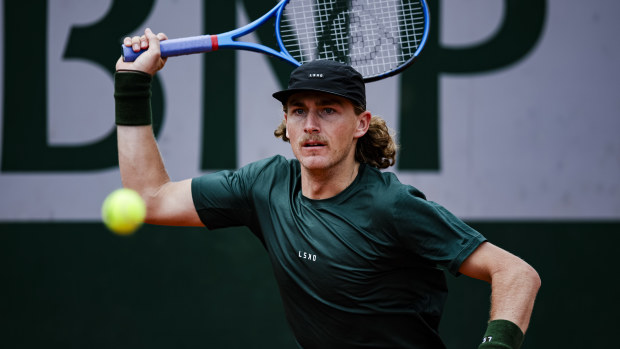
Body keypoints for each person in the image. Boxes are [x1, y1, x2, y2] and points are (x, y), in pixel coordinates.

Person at [114, 28, 541, 349]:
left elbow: (516, 273)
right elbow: (149, 199)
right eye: (298, 111)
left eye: (329, 110)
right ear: (287, 123)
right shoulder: (265, 185)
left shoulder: (391, 206)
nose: (311, 125)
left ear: (361, 123)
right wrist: (133, 83)